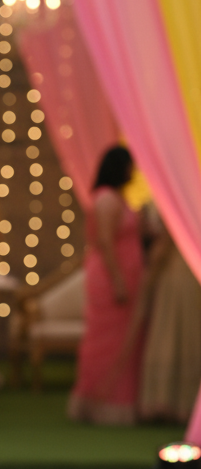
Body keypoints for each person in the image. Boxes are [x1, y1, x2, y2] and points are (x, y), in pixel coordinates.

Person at [68, 146, 144, 425]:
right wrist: (118, 281)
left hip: (126, 276)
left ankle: (116, 403)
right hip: (112, 279)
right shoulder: (106, 200)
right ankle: (98, 403)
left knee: (125, 341)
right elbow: (106, 242)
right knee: (104, 342)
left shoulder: (119, 199)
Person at [138, 213, 201, 424]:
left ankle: (164, 403)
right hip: (192, 279)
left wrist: (149, 270)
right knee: (189, 338)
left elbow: (162, 250)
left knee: (169, 337)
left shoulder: (174, 209)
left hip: (175, 279)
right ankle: (187, 405)